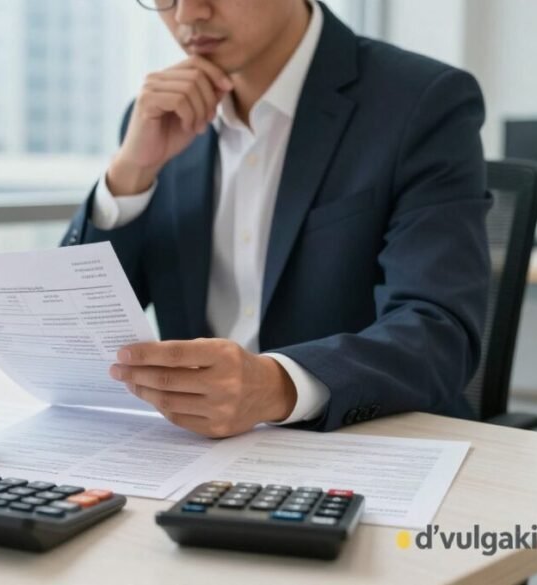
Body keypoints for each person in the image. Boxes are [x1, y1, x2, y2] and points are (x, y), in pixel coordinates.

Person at [61, 0, 490, 438]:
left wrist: (274, 385)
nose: (188, 14)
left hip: (366, 444)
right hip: (196, 452)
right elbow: (70, 328)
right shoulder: (161, 119)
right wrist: (129, 173)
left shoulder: (422, 100)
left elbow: (439, 331)